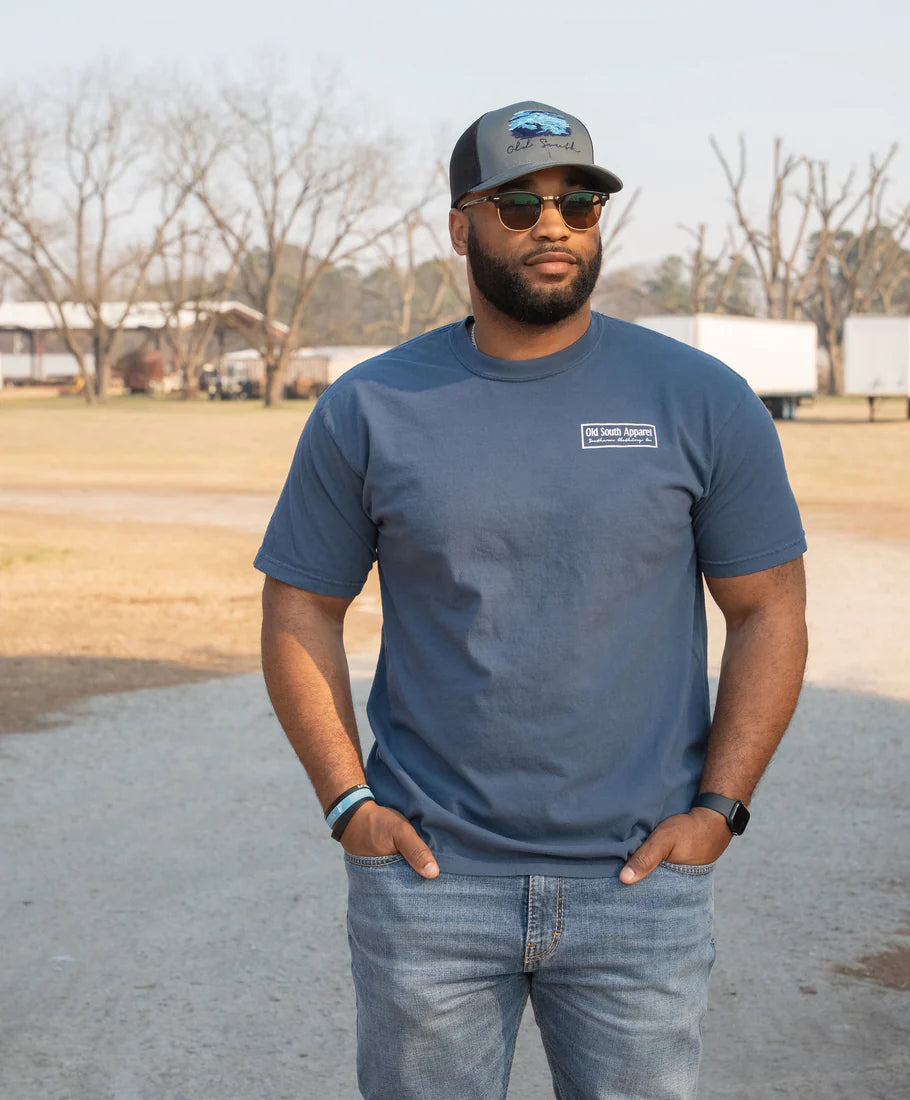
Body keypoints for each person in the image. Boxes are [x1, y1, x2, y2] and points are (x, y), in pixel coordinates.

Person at [256, 100, 808, 1100]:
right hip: (429, 887)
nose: (551, 223)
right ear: (460, 226)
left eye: (577, 203)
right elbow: (298, 606)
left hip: (637, 889)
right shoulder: (369, 407)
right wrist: (348, 804)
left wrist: (719, 809)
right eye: (517, 202)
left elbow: (768, 605)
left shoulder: (698, 399)